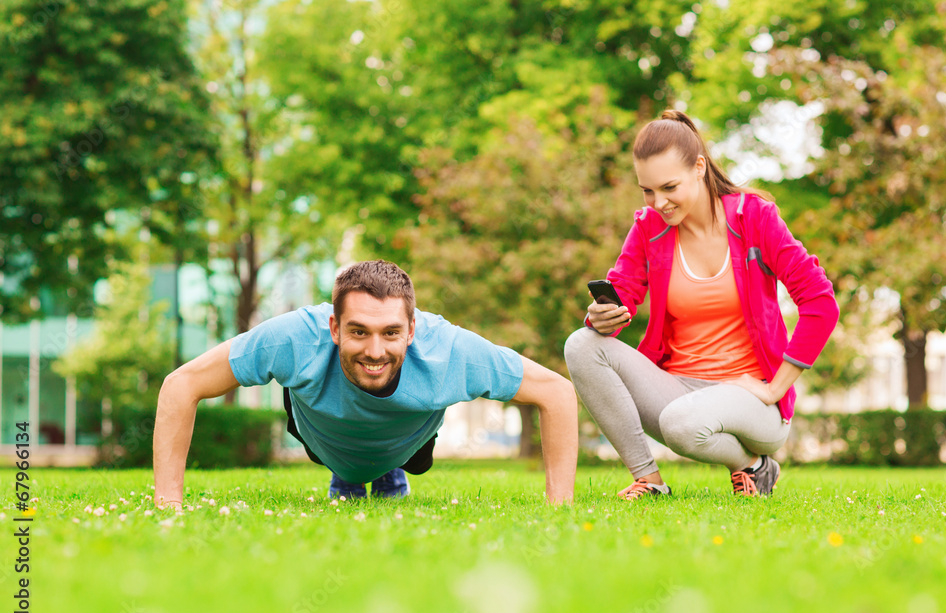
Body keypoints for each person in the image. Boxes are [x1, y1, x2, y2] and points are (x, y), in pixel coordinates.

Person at [564, 109, 839, 499]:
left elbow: (820, 303)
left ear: (698, 167)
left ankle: (755, 464)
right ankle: (650, 480)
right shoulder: (648, 228)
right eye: (647, 190)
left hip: (753, 398)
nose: (658, 202)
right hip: (678, 390)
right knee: (580, 344)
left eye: (669, 188)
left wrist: (777, 388)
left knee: (680, 422)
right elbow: (623, 290)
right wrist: (602, 315)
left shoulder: (754, 218)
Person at [153, 260, 577, 508]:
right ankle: (347, 472)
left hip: (408, 438)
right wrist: (168, 505)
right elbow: (181, 385)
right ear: (334, 327)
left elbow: (556, 392)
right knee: (326, 412)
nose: (375, 350)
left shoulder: (450, 350)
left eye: (391, 333)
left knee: (399, 425)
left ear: (412, 329)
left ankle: (387, 469)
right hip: (323, 432)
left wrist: (559, 510)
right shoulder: (293, 338)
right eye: (359, 332)